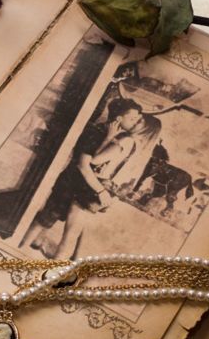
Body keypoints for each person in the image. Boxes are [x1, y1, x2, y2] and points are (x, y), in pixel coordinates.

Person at [20, 98, 160, 259]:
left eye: (137, 120)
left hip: (85, 186)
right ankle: (21, 248)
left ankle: (38, 248)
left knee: (64, 227)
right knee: (47, 218)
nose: (135, 123)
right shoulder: (96, 132)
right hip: (71, 182)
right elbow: (84, 165)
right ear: (119, 119)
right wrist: (101, 191)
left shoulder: (118, 136)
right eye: (133, 118)